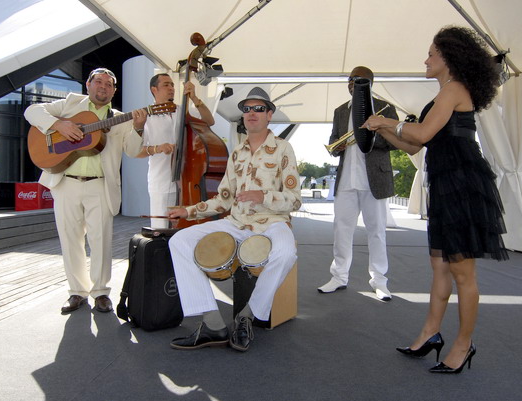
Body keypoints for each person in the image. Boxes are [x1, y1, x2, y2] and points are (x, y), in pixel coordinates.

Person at [364, 26, 508, 373]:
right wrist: (383, 128)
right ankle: (430, 333)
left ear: (448, 57)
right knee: (440, 265)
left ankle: (464, 344)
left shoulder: (454, 89)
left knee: (462, 273)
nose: (426, 60)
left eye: (431, 54)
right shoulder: (443, 93)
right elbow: (415, 146)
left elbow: (423, 132)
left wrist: (387, 120)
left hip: (462, 184)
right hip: (446, 183)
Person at [167, 87, 301, 352]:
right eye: (247, 109)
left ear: (269, 115)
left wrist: (263, 196)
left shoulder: (284, 148)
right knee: (179, 241)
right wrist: (189, 211)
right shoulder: (237, 152)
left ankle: (246, 316)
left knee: (286, 253)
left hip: (272, 221)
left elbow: (295, 199)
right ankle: (212, 323)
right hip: (236, 222)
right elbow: (224, 199)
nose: (252, 113)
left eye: (259, 108)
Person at [24, 67, 148, 314]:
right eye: (98, 81)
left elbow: (134, 151)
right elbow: (31, 111)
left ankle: (101, 292)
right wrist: (60, 124)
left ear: (114, 91)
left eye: (109, 84)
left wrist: (138, 127)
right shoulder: (70, 104)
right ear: (88, 85)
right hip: (66, 182)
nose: (103, 87)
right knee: (70, 240)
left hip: (100, 185)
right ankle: (77, 293)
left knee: (101, 241)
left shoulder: (120, 118)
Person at [317, 66, 399, 301]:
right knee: (341, 230)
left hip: (374, 178)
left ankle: (379, 281)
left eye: (358, 79)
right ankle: (339, 277)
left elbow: (395, 141)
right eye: (350, 79)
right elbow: (333, 141)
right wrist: (337, 146)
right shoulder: (340, 111)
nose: (353, 83)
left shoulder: (385, 108)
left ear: (370, 83)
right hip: (346, 179)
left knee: (377, 232)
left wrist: (370, 136)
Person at [135, 73, 215, 228]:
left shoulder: (182, 111)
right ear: (154, 90)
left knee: (185, 228)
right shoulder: (146, 117)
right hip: (162, 180)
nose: (171, 88)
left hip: (187, 180)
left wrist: (194, 98)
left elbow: (209, 121)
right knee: (160, 228)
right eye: (166, 85)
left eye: (172, 85)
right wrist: (158, 148)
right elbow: (137, 152)